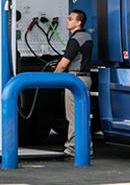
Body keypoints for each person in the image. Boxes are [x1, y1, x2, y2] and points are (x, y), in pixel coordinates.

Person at [53, 9, 92, 157]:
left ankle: (73, 149)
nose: (67, 20)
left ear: (79, 22)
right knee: (82, 115)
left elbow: (64, 63)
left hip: (75, 79)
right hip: (85, 78)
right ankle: (86, 148)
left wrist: (53, 78)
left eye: (70, 18)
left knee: (74, 116)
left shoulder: (76, 39)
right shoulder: (87, 36)